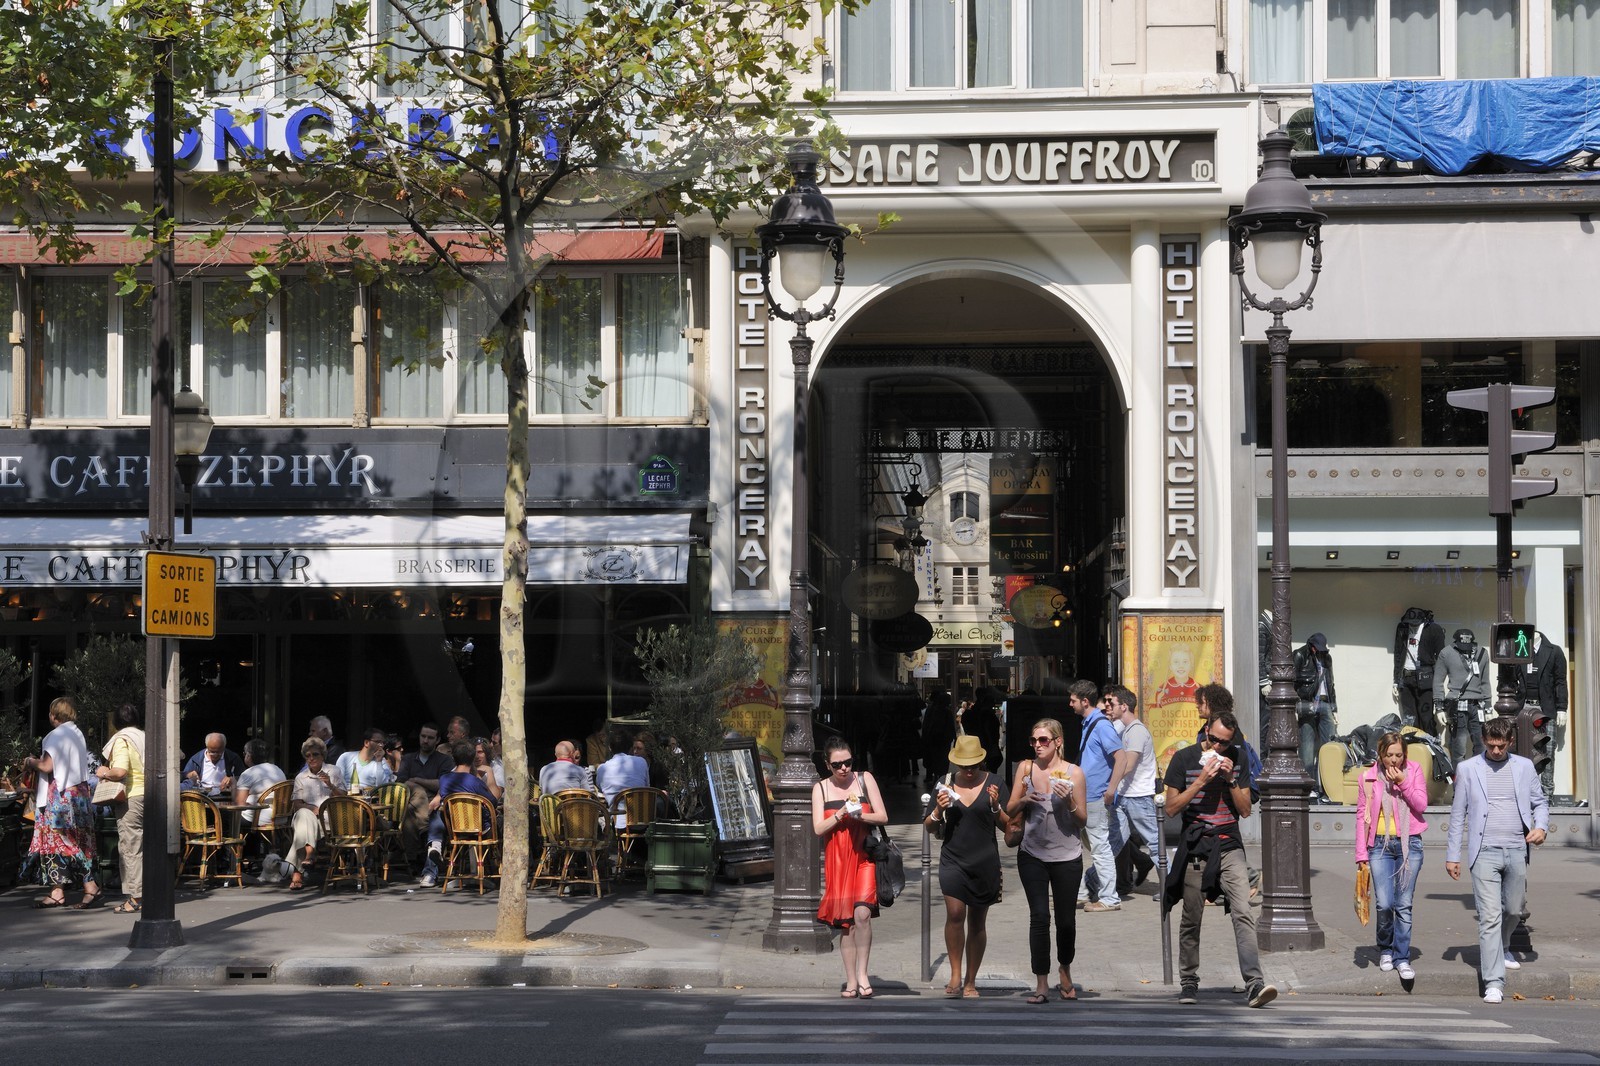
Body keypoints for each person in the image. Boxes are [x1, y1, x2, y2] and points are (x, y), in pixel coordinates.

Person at [1162, 710, 1277, 1008]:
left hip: (1229, 844)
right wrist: (1200, 780)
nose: (1217, 747)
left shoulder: (1238, 759)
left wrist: (1229, 779)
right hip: (1196, 845)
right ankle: (1188, 982)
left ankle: (1255, 983)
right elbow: (1171, 808)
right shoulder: (1183, 759)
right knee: (1191, 917)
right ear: (1205, 731)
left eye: (1224, 743)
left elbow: (1245, 810)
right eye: (1213, 739)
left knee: (1242, 911)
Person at [1445, 715, 1549, 1004]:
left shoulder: (1524, 767)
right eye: (1491, 746)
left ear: (1510, 742)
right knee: (1489, 916)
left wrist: (1540, 827)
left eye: (1501, 746)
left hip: (1517, 848)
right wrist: (1452, 855)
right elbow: (1458, 815)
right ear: (1483, 741)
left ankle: (1503, 945)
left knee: (1515, 910)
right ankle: (1494, 981)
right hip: (1484, 852)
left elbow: (1539, 802)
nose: (1496, 751)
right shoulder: (1467, 769)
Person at [1005, 718, 1087, 1003]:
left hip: (1067, 855)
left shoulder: (1074, 774)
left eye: (1043, 740)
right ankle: (1041, 981)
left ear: (1058, 742)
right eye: (1034, 740)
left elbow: (1082, 820)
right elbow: (1010, 807)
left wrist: (1070, 802)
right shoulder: (1025, 769)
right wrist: (1025, 799)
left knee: (1065, 921)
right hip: (1032, 853)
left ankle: (1065, 969)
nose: (1037, 746)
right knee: (1039, 917)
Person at [923, 735, 1012, 999]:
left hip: (985, 860)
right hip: (953, 859)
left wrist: (996, 806)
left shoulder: (995, 783)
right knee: (954, 914)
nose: (969, 770)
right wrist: (938, 811)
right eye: (964, 765)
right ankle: (955, 973)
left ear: (981, 761)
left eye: (973, 765)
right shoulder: (944, 783)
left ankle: (971, 980)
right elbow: (929, 826)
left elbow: (1009, 826)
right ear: (956, 764)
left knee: (977, 921)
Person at [812, 736, 888, 999]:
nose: (844, 768)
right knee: (846, 924)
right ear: (827, 765)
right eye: (837, 764)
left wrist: (860, 815)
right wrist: (839, 814)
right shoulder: (820, 788)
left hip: (863, 856)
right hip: (837, 860)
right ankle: (851, 980)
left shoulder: (864, 779)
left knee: (862, 915)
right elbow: (817, 828)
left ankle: (864, 974)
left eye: (847, 762)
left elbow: (883, 816)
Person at [1355, 731, 1428, 981]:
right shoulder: (1369, 777)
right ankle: (1385, 947)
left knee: (1404, 905)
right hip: (1379, 846)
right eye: (1389, 755)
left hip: (1410, 845)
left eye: (1399, 755)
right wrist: (1360, 853)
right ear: (1381, 755)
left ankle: (1402, 957)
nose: (1394, 760)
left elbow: (1421, 805)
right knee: (1384, 903)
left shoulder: (1414, 770)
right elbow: (1361, 816)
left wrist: (1402, 783)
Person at [21, 697, 101, 909]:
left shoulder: (55, 736)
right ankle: (57, 892)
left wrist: (30, 762)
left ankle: (91, 885)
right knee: (76, 841)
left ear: (54, 714)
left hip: (60, 797)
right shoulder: (77, 733)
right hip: (80, 794)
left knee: (60, 840)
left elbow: (47, 766)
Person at [418, 740, 503, 887]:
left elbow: (441, 799)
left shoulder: (445, 779)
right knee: (501, 820)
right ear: (472, 759)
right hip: (481, 828)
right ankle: (499, 869)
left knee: (437, 814)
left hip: (455, 828)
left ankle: (435, 847)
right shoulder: (475, 782)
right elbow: (492, 802)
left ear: (453, 759)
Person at [1104, 684, 1161, 897]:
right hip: (1126, 796)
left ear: (1124, 707)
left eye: (1113, 704)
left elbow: (1128, 765)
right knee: (1114, 843)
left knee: (1155, 843)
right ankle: (1092, 886)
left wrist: (1109, 786)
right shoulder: (1126, 730)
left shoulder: (1136, 731)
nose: (1110, 707)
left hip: (1138, 797)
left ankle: (1172, 885)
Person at [1070, 679, 1121, 912]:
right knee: (1082, 847)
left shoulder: (1101, 725)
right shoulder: (1088, 723)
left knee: (1100, 848)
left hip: (1095, 797)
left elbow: (1121, 758)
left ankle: (1109, 898)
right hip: (1084, 796)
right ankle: (1081, 893)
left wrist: (1110, 790)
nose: (1070, 704)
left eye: (1073, 700)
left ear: (1085, 701)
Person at [94, 702, 146, 913]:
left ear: (116, 722)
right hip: (152, 795)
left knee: (131, 847)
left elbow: (121, 770)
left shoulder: (122, 739)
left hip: (132, 797)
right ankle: (149, 893)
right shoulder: (145, 737)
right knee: (147, 847)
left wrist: (104, 772)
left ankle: (135, 898)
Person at [287, 737, 343, 891]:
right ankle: (310, 853)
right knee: (304, 814)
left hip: (329, 819)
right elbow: (297, 804)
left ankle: (297, 874)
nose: (311, 758)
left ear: (323, 755)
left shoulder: (334, 771)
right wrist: (312, 809)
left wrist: (330, 785)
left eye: (315, 754)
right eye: (308, 755)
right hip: (308, 817)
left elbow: (344, 797)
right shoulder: (301, 777)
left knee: (301, 831)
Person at [397, 723, 453, 869]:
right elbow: (401, 782)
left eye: (430, 737)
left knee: (409, 810)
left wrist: (417, 780)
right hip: (413, 799)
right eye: (423, 736)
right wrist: (421, 786)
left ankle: (413, 858)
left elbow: (443, 784)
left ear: (437, 740)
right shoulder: (408, 759)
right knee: (415, 793)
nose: (425, 740)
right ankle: (426, 834)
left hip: (435, 802)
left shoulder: (444, 760)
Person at [1435, 627, 1489, 763]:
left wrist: (1488, 707)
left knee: (1481, 745)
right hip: (1457, 705)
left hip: (1477, 705)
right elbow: (1438, 681)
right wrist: (1439, 706)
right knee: (1458, 749)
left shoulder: (1482, 653)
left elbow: (1485, 681)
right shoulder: (1446, 653)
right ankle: (1459, 782)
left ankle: (1477, 778)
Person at [1293, 633, 1337, 788]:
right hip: (1307, 704)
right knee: (1307, 747)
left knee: (1330, 744)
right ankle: (1308, 786)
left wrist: (1334, 708)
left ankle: (1327, 785)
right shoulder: (1300, 655)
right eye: (1314, 647)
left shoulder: (1326, 658)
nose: (1316, 650)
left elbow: (1330, 683)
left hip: (1324, 703)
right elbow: (1292, 682)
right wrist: (1298, 704)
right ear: (1310, 644)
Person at [594, 726, 649, 822]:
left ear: (610, 748)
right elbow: (646, 787)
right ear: (630, 748)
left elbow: (600, 789)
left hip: (618, 822)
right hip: (643, 819)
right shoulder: (642, 762)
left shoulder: (602, 769)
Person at [233, 739, 286, 833]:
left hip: (258, 819)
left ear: (249, 756)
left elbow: (239, 804)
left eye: (244, 754)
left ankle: (234, 847)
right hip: (281, 817)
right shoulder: (277, 769)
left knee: (223, 817)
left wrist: (233, 785)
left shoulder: (248, 773)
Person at [333, 728, 397, 794]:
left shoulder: (382, 763)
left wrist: (379, 761)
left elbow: (382, 787)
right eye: (378, 742)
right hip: (345, 797)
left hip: (368, 800)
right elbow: (338, 782)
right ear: (366, 743)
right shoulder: (345, 757)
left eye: (383, 743)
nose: (381, 745)